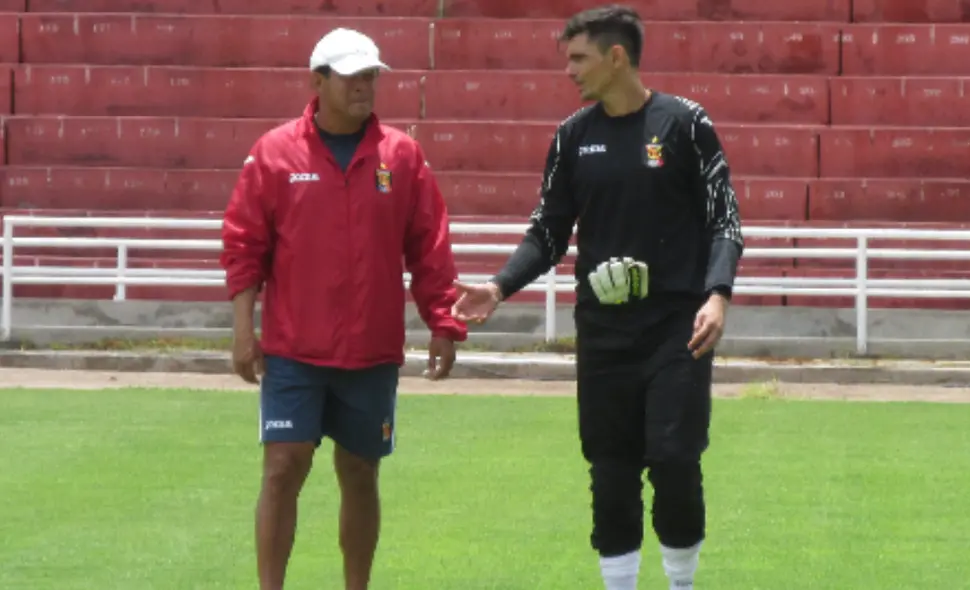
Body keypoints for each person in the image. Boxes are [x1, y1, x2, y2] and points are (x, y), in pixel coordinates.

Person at [451, 6, 743, 590]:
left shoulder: (686, 124)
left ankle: (682, 584)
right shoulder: (572, 137)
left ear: (616, 58)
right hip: (605, 335)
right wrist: (498, 285)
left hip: (676, 330)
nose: (569, 70)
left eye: (578, 58)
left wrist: (717, 294)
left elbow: (725, 220)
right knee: (610, 472)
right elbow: (548, 231)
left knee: (675, 461)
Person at [219, 27, 468, 590]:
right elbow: (243, 245)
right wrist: (242, 330)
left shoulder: (401, 156)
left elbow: (429, 246)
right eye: (352, 76)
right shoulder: (274, 153)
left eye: (371, 75)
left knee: (359, 473)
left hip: (370, 351)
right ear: (318, 81)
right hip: (293, 350)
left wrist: (444, 324)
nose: (364, 86)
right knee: (283, 468)